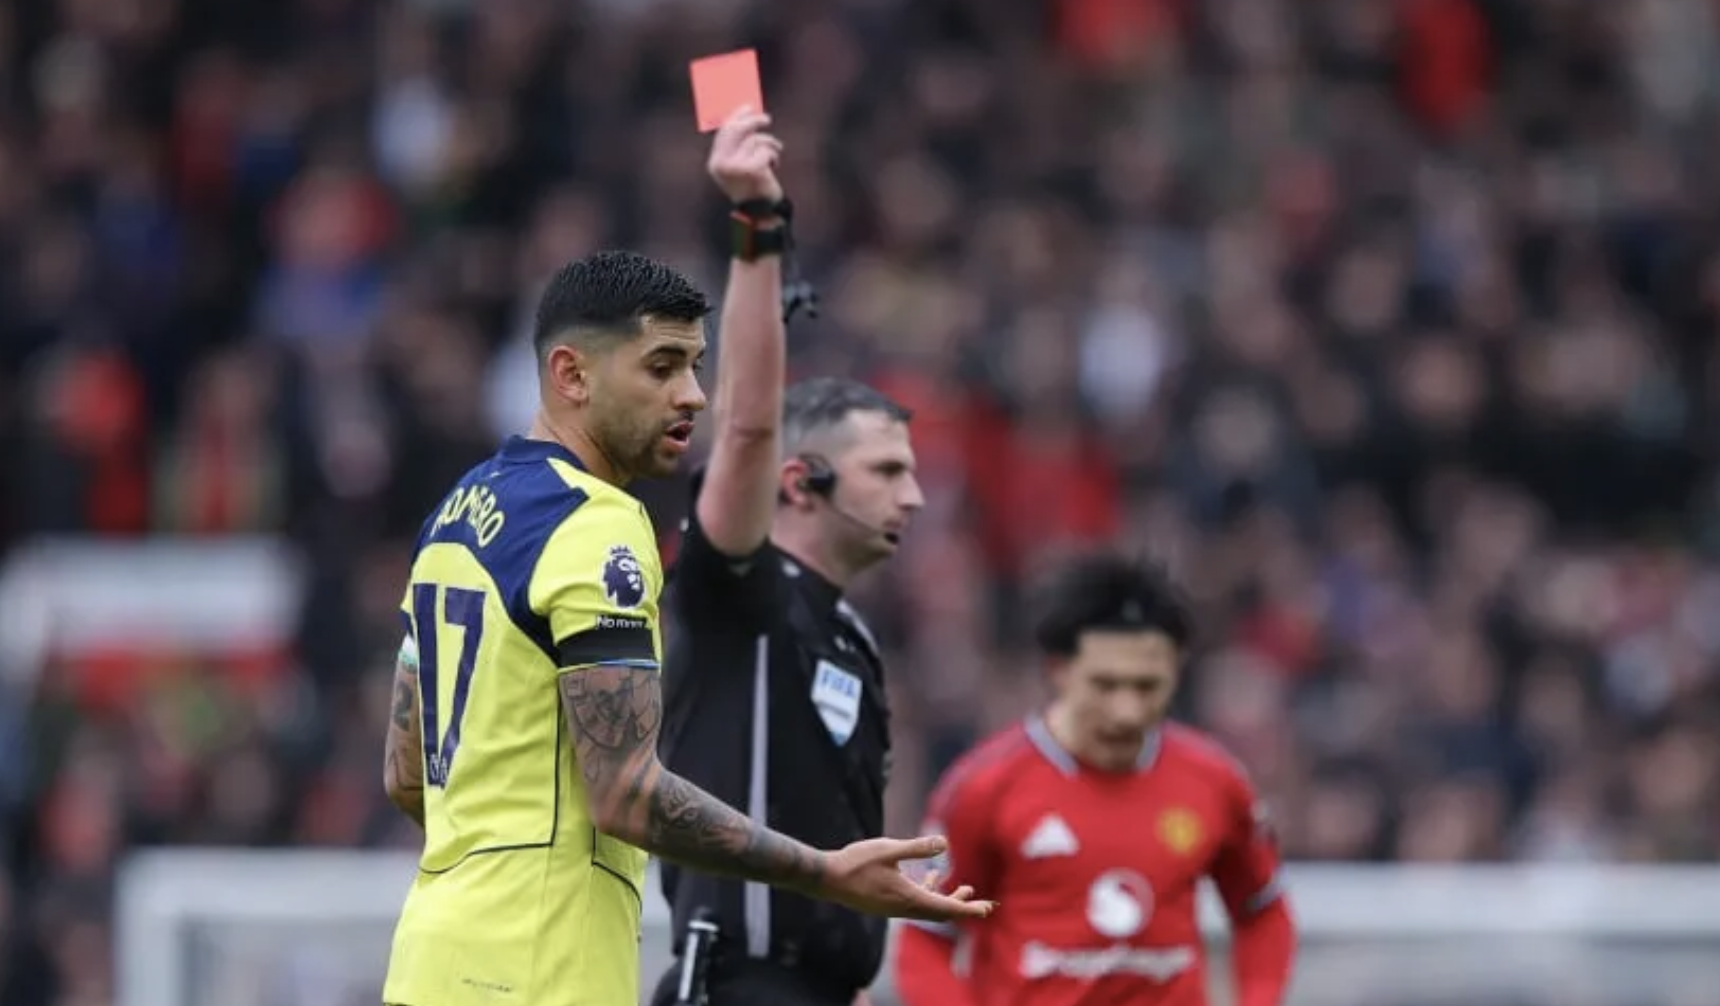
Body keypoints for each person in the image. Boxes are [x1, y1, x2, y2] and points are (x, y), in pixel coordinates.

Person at [377, 119, 991, 1006]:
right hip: (537, 966)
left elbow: (405, 774)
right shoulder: (595, 527)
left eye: (696, 368)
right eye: (663, 367)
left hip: (434, 956)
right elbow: (626, 795)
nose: (692, 396)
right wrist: (824, 872)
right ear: (571, 375)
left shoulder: (456, 514)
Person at [648, 117, 927, 1006]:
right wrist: (758, 230)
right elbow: (746, 426)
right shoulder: (740, 591)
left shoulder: (850, 636)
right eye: (887, 472)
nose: (913, 498)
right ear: (799, 482)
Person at [893, 552, 1297, 1006]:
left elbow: (1263, 912)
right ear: (1058, 671)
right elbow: (926, 937)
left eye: (1147, 686)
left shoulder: (1215, 782)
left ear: (1176, 673)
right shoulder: (983, 786)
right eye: (1105, 685)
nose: (1127, 710)